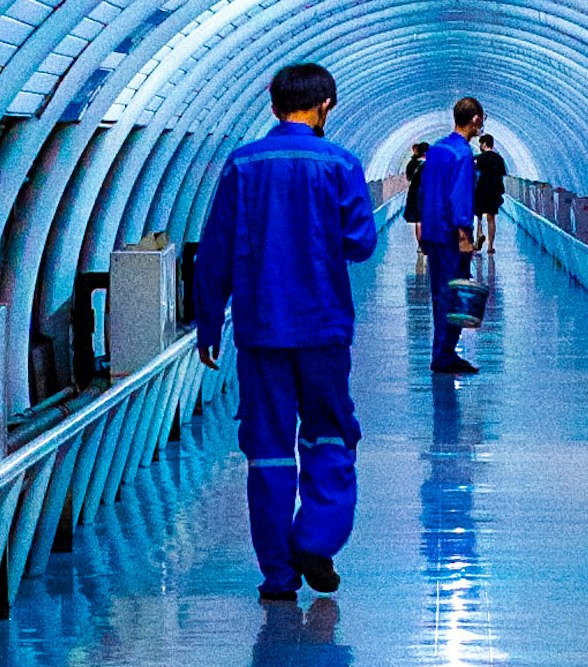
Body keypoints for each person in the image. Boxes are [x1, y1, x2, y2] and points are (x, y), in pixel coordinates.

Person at [191, 57, 381, 604]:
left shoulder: (243, 165)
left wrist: (209, 321)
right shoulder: (340, 164)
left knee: (268, 446)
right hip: (322, 326)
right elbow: (362, 242)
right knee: (330, 432)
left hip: (259, 327)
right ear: (326, 106)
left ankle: (278, 575)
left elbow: (216, 249)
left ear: (273, 106)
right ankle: (316, 537)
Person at [415, 96, 484, 377]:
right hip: (450, 234)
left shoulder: (437, 150)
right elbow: (460, 196)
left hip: (433, 229)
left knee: (440, 294)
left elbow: (422, 191)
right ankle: (444, 355)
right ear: (476, 119)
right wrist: (465, 234)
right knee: (455, 293)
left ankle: (441, 351)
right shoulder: (463, 154)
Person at [470, 116, 508, 309]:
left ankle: (479, 237)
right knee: (492, 217)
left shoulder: (479, 159)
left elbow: (472, 171)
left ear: (484, 144)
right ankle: (491, 245)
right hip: (495, 191)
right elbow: (504, 174)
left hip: (481, 190)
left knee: (478, 217)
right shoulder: (499, 159)